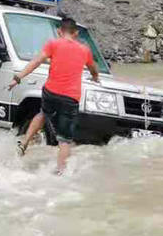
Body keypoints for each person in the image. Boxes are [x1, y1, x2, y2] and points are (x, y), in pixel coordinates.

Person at [9, 16, 99, 175]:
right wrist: (95, 78)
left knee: (43, 113)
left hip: (50, 92)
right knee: (64, 140)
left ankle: (24, 143)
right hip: (70, 98)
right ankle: (60, 172)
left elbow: (36, 61)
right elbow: (93, 69)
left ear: (59, 31)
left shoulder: (53, 44)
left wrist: (18, 78)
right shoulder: (84, 50)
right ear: (76, 33)